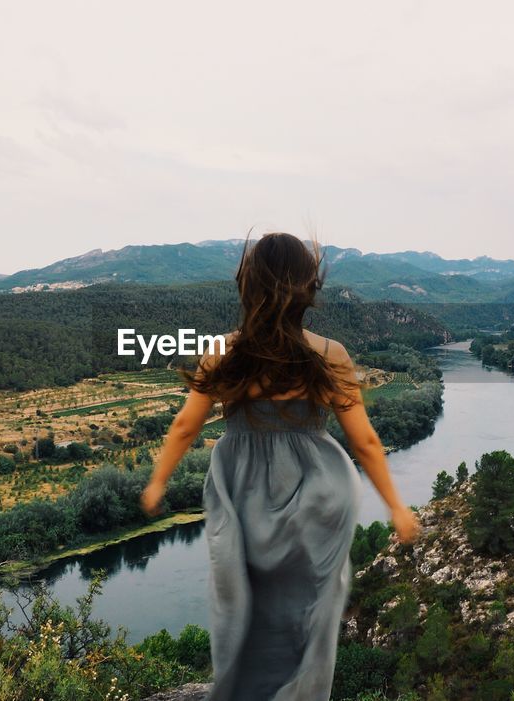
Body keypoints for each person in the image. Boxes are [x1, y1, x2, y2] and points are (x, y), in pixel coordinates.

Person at [139, 231, 422, 700]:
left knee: (240, 601)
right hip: (317, 485)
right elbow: (365, 440)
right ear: (307, 288)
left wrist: (157, 483)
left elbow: (185, 427)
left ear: (248, 285)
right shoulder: (329, 354)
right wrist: (395, 506)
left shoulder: (225, 352)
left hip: (242, 486)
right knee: (310, 604)